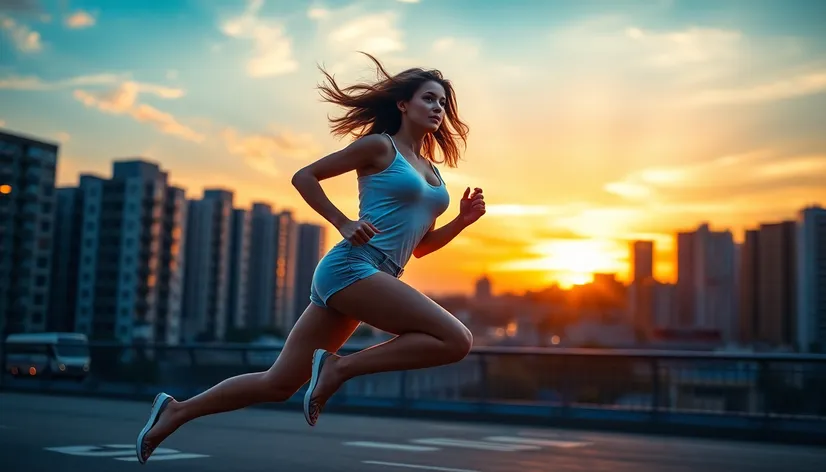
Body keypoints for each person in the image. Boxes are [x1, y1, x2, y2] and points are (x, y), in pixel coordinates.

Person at [135, 52, 486, 464]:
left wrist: (461, 221)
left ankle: (177, 411)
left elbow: (420, 246)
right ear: (402, 104)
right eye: (429, 98)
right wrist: (342, 222)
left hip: (375, 276)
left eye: (443, 103)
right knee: (456, 339)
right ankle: (338, 369)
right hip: (353, 267)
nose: (438, 109)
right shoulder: (379, 147)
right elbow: (304, 176)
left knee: (279, 383)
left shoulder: (432, 171)